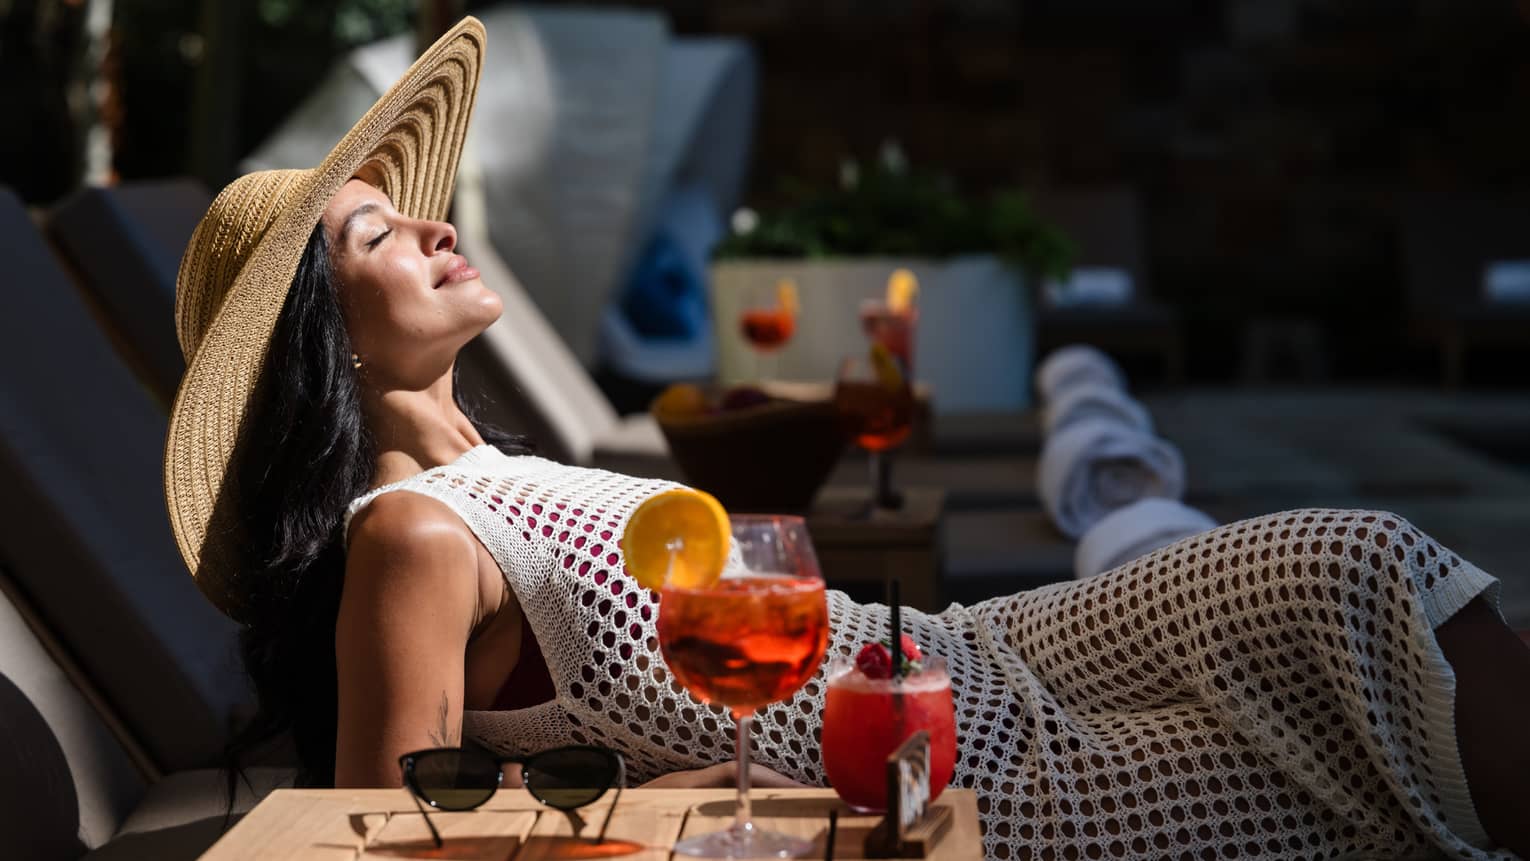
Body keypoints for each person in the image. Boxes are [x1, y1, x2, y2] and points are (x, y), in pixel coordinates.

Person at [166, 18, 1530, 860]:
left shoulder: (484, 469)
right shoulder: (411, 534)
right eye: (375, 234)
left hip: (967, 655)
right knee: (1341, 715)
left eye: (408, 205)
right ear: (328, 340)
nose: (432, 222)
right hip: (942, 780)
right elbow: (381, 822)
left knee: (1342, 569)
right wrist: (663, 798)